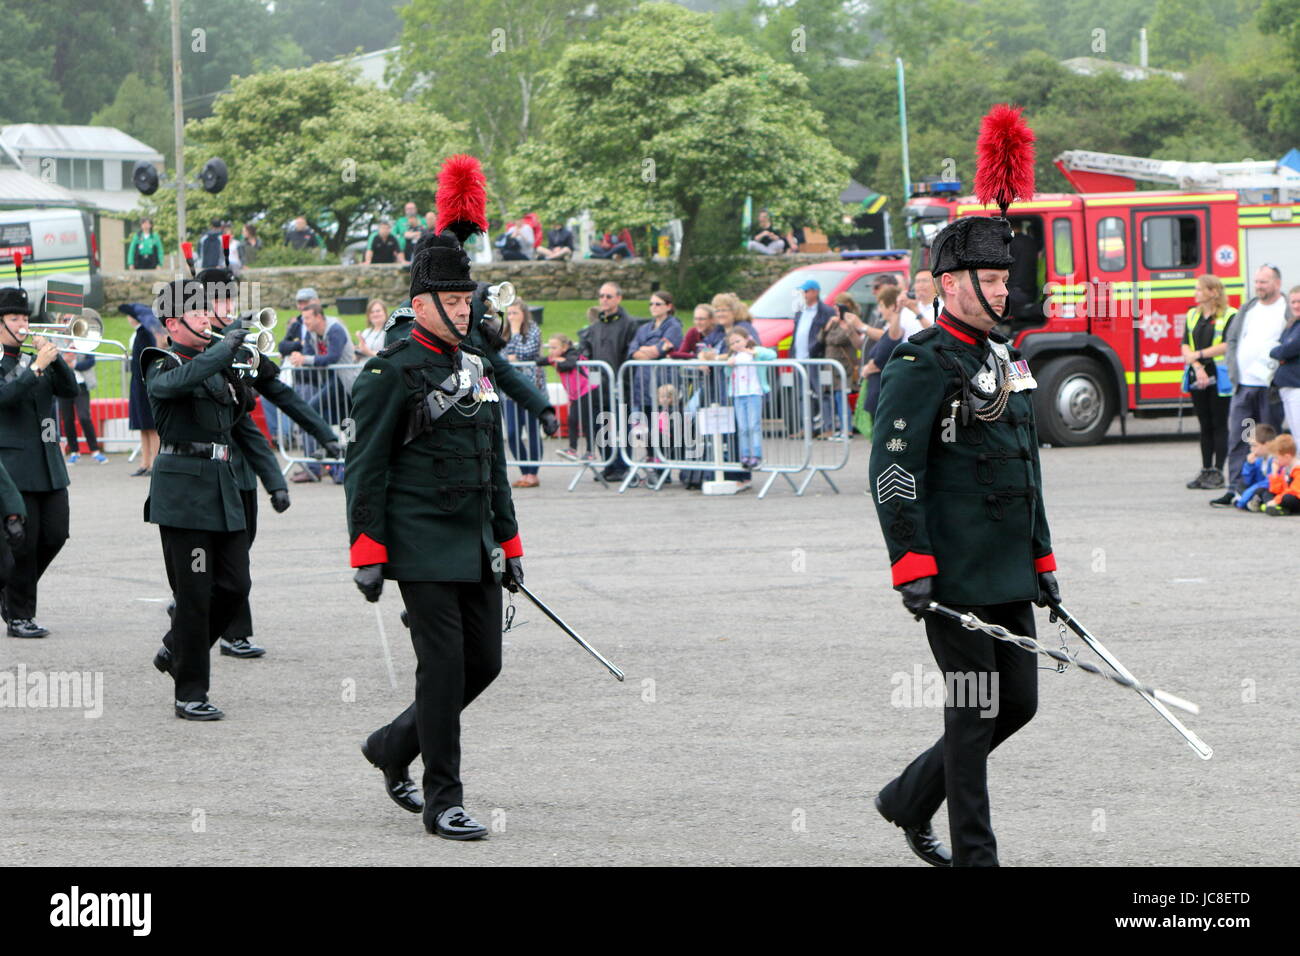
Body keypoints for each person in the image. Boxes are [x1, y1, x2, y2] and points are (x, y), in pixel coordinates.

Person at [869, 206, 1058, 868]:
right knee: (973, 713)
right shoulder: (921, 362)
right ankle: (978, 859)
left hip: (1006, 569)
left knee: (1021, 703)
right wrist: (911, 561)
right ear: (949, 283)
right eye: (990, 278)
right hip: (951, 574)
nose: (1004, 290)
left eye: (1006, 279)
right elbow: (893, 467)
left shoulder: (1003, 355)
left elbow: (1024, 465)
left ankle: (906, 798)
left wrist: (1042, 557)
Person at [347, 157, 524, 840]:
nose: (465, 312)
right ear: (420, 305)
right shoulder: (389, 373)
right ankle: (441, 797)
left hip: (474, 541)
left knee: (485, 663)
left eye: (466, 303)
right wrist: (367, 551)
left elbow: (492, 462)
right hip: (419, 544)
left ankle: (393, 745)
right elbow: (364, 467)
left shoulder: (473, 368)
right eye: (452, 304)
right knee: (445, 667)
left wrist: (509, 544)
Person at [196, 266, 339, 658]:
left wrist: (326, 435)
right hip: (201, 470)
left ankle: (220, 623)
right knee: (209, 557)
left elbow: (281, 394)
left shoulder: (244, 347)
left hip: (239, 468)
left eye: (231, 298)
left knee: (240, 552)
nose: (230, 306)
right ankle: (208, 617)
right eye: (220, 299)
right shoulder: (192, 349)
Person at [142, 279, 268, 719]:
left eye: (205, 313)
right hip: (183, 495)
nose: (207, 320)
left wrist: (245, 372)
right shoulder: (161, 361)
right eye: (197, 315)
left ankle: (177, 647)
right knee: (195, 595)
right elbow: (176, 385)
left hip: (221, 485)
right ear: (174, 323)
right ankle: (190, 692)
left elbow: (237, 413)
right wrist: (224, 350)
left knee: (236, 585)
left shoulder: (216, 365)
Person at [0, 285, 78, 639]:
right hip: (16, 466)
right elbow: (7, 397)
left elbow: (70, 390)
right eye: (14, 318)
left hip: (49, 464)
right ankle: (20, 615)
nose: (22, 324)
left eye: (25, 317)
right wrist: (35, 367)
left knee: (56, 534)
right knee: (25, 544)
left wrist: (55, 358)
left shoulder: (39, 357)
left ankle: (12, 592)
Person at [1214, 265, 1291, 504]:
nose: (1258, 286)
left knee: (1270, 438)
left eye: (1264, 282)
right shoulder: (1248, 308)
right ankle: (1236, 487)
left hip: (1269, 389)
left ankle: (1274, 485)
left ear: (1277, 283)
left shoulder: (1287, 310)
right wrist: (1234, 371)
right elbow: (1232, 339)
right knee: (1240, 436)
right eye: (1257, 282)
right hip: (1244, 386)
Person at [281, 304, 352, 483]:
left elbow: (332, 357)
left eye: (307, 318)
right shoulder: (313, 334)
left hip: (345, 380)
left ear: (319, 317)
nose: (304, 323)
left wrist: (305, 359)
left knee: (315, 410)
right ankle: (333, 464)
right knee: (340, 420)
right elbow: (301, 352)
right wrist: (300, 356)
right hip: (330, 381)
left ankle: (331, 459)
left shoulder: (335, 329)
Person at [1181, 275, 1237, 490]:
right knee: (1204, 424)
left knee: (1219, 423)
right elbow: (1185, 344)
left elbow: (1226, 345)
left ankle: (1218, 471)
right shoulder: (1192, 315)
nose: (1195, 293)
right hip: (1199, 374)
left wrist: (1199, 354)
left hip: (1220, 374)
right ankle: (1205, 470)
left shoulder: (1230, 315)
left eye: (1199, 289)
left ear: (1213, 292)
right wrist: (1196, 364)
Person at [580, 282, 638, 481]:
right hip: (598, 384)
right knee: (599, 424)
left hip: (621, 384)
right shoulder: (596, 326)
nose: (604, 299)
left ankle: (622, 466)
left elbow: (631, 354)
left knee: (622, 426)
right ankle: (608, 464)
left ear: (618, 298)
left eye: (609, 296)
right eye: (602, 296)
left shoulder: (629, 324)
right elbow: (587, 351)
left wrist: (624, 380)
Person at [627, 291, 683, 462]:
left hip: (662, 383)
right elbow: (632, 351)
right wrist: (647, 351)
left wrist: (646, 350)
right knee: (645, 423)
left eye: (658, 304)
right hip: (642, 381)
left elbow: (659, 349)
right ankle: (651, 456)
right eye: (651, 304)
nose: (653, 307)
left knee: (661, 423)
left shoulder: (673, 326)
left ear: (668, 306)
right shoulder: (644, 327)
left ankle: (663, 458)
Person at [501, 300, 546, 487]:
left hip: (531, 390)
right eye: (509, 313)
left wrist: (517, 332)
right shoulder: (502, 332)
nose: (511, 317)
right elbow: (503, 356)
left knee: (533, 432)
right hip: (509, 392)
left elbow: (526, 352)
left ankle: (533, 473)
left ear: (524, 314)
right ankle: (524, 471)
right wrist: (513, 351)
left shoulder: (533, 330)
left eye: (515, 313)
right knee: (512, 433)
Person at [540, 332, 597, 460]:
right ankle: (573, 449)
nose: (551, 351)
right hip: (575, 394)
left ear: (564, 347)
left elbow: (568, 365)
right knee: (573, 420)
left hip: (587, 391)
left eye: (554, 348)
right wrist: (552, 359)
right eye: (549, 348)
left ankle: (589, 452)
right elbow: (540, 361)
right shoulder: (557, 357)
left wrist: (555, 361)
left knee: (585, 421)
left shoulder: (573, 354)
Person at [121, 303, 163, 476]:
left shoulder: (145, 333)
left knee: (151, 426)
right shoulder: (139, 333)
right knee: (143, 426)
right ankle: (145, 461)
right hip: (138, 383)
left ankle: (154, 461)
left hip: (146, 383)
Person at [725, 329, 775, 468]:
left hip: (753, 393)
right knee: (743, 427)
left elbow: (772, 354)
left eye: (738, 341)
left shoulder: (755, 351)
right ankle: (745, 454)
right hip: (738, 394)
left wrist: (756, 353)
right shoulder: (733, 356)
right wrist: (729, 364)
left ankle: (757, 454)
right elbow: (728, 373)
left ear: (746, 339)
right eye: (732, 343)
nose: (736, 345)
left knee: (754, 425)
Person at [819, 293, 867, 435]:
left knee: (841, 397)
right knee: (835, 396)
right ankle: (839, 428)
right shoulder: (833, 323)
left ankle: (847, 429)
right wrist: (827, 327)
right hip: (832, 368)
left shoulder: (850, 322)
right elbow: (821, 339)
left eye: (838, 308)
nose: (836, 312)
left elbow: (838, 340)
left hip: (844, 367)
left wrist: (832, 333)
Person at [860, 286, 905, 422]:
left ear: (892, 306)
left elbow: (882, 357)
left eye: (881, 306)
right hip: (879, 392)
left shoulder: (895, 330)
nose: (879, 310)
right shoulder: (888, 329)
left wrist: (868, 367)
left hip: (884, 394)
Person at [59, 346, 107, 464]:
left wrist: (74, 364)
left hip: (81, 384)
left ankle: (95, 450)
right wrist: (64, 360)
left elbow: (91, 361)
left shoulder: (83, 342)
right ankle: (74, 451)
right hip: (64, 385)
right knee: (67, 419)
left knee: (84, 416)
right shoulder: (57, 340)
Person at [1270, 285, 1300, 435]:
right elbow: (1281, 346)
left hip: (1297, 388)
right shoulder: (1292, 325)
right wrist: (1280, 352)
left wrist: (1279, 353)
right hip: (1286, 387)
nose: (1296, 305)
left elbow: (1286, 350)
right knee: (1295, 435)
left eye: (1299, 301)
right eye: (1293, 302)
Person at [1231, 423, 1277, 511]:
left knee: (1262, 492)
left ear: (1267, 444)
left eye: (1254, 445)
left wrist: (1250, 491)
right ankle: (1249, 502)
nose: (1251, 449)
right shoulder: (1259, 459)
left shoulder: (1275, 460)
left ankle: (1253, 503)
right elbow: (1247, 480)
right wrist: (1249, 465)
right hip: (1259, 487)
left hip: (1270, 489)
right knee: (1241, 486)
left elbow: (1269, 482)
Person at [1262, 433, 1300, 515]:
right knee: (1266, 492)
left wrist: (1276, 500)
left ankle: (1278, 507)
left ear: (1286, 457)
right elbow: (1277, 490)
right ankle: (1275, 507)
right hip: (1286, 495)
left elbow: (1294, 491)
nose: (1274, 461)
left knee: (1288, 498)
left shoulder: (1298, 469)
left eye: (1276, 457)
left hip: (1296, 497)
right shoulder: (1285, 468)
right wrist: (1275, 473)